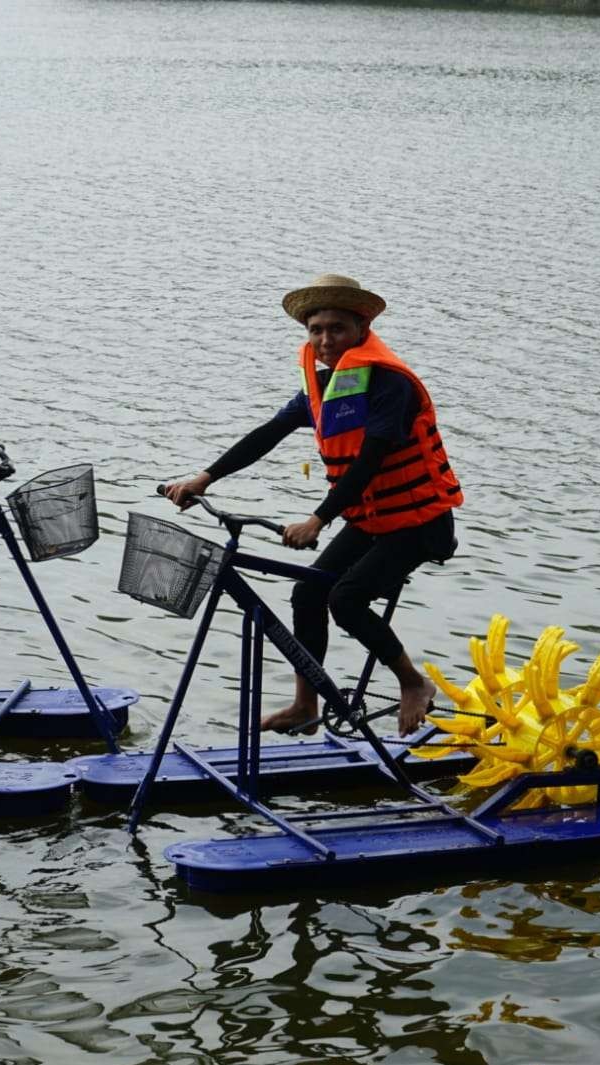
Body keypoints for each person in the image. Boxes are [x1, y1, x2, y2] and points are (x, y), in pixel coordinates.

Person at [163, 274, 462, 736]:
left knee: (346, 599)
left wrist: (318, 519)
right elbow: (268, 433)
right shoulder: (324, 387)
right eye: (315, 329)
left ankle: (413, 683)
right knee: (307, 592)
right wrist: (204, 478)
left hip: (419, 522)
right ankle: (306, 706)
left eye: (336, 329)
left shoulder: (388, 384)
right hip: (371, 517)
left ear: (362, 328)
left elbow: (369, 461)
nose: (324, 340)